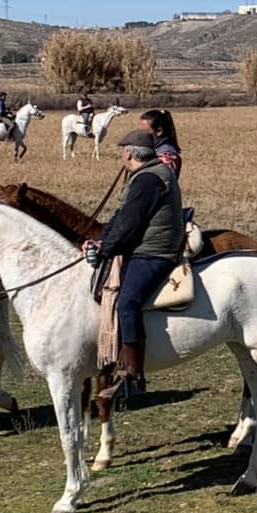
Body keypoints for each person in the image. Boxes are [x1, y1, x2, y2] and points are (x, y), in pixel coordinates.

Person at [83, 129, 184, 400]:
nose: (121, 156)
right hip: (150, 246)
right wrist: (101, 241)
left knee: (127, 301)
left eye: (122, 151)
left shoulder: (147, 180)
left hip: (155, 252)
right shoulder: (148, 175)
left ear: (129, 154)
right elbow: (121, 217)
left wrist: (104, 249)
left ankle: (134, 376)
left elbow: (130, 223)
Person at [139, 109, 182, 179]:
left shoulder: (167, 156)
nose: (140, 135)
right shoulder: (153, 149)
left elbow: (162, 180)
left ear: (159, 131)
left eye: (144, 132)